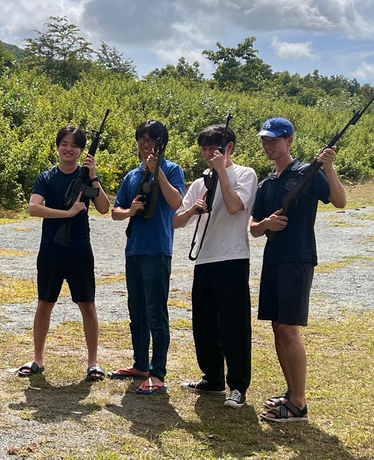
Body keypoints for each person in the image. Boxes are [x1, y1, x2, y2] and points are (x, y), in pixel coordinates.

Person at [250, 117, 346, 422]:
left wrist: (328, 167)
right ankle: (292, 392)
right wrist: (266, 224)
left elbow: (340, 201)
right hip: (273, 259)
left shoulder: (308, 173)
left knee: (289, 328)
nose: (268, 145)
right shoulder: (266, 183)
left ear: (289, 140)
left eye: (274, 140)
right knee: (277, 327)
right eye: (265, 140)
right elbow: (253, 228)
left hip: (298, 257)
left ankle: (300, 403)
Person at [173, 123, 257, 409]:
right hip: (205, 259)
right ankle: (212, 378)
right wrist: (194, 208)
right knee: (204, 324)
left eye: (214, 149)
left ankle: (238, 386)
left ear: (229, 148)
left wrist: (222, 172)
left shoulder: (245, 174)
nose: (208, 154)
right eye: (205, 150)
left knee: (233, 325)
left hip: (233, 257)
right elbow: (176, 221)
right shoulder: (199, 183)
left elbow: (235, 207)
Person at [19, 125, 110, 381]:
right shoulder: (46, 178)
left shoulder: (87, 177)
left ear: (82, 150)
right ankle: (38, 358)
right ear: (58, 147)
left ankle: (93, 362)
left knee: (87, 303)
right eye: (64, 144)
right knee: (44, 303)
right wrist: (67, 213)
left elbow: (104, 207)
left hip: (80, 249)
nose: (68, 149)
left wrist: (93, 176)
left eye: (74, 145)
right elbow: (34, 208)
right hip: (51, 249)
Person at [110, 119, 185, 395]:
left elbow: (178, 203)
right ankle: (140, 364)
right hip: (134, 251)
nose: (146, 144)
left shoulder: (172, 169)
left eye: (152, 139)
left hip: (158, 249)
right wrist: (130, 211)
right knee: (136, 312)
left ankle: (158, 372)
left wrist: (158, 174)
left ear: (161, 143)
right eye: (142, 138)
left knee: (156, 312)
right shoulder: (131, 176)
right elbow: (115, 212)